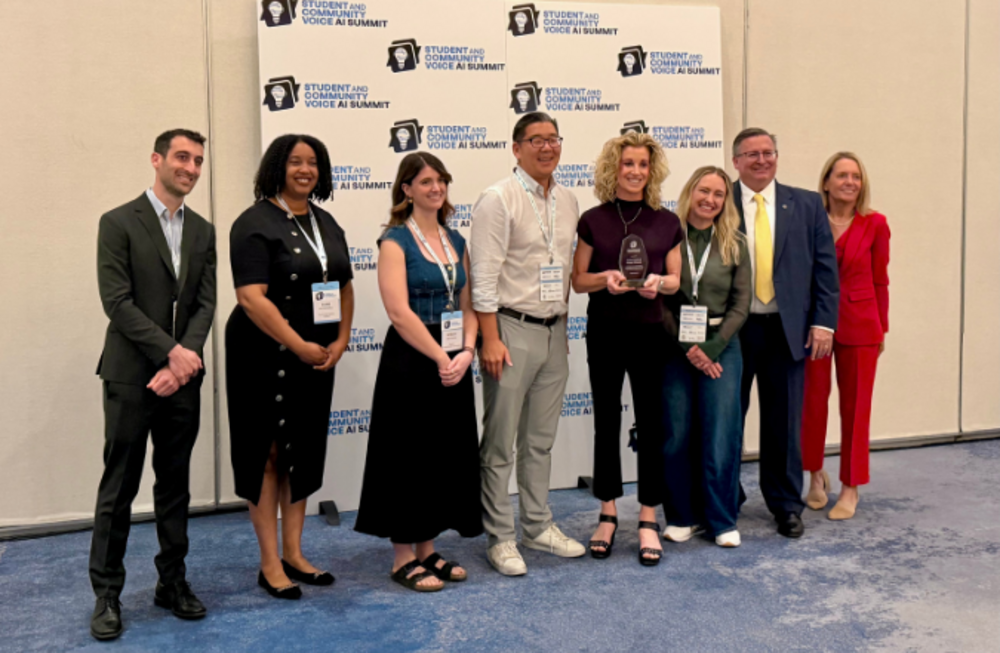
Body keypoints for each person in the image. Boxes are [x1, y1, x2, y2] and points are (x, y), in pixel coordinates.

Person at [90, 129, 216, 640]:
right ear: (157, 160)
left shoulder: (203, 230)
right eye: (182, 157)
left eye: (198, 160)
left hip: (182, 378)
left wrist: (183, 361)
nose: (191, 168)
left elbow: (205, 303)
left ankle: (172, 582)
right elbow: (117, 302)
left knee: (175, 485)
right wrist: (172, 353)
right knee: (118, 487)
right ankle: (106, 594)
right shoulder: (118, 222)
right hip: (130, 374)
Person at [226, 134, 355, 599]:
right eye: (295, 161)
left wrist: (341, 339)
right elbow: (250, 298)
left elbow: (343, 285)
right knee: (267, 455)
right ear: (277, 167)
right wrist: (298, 344)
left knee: (300, 452)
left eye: (313, 162)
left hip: (315, 357)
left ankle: (295, 554)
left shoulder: (326, 222)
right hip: (262, 355)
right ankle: (269, 563)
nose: (305, 169)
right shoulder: (253, 223)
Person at [355, 152, 483, 592]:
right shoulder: (395, 241)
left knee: (441, 453)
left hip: (454, 356)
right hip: (412, 358)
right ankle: (402, 556)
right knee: (406, 455)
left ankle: (427, 547)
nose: (436, 188)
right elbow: (398, 311)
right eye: (425, 181)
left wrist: (467, 350)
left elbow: (468, 304)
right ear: (406, 189)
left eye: (440, 180)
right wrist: (440, 357)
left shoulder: (456, 240)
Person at [471, 112, 585, 575]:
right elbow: (483, 276)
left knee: (539, 440)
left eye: (553, 139)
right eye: (536, 140)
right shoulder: (498, 199)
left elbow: (564, 270)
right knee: (500, 443)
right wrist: (490, 339)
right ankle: (500, 537)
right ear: (516, 148)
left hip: (554, 330)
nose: (546, 147)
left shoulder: (568, 199)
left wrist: (564, 327)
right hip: (510, 330)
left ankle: (537, 526)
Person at [571, 131, 681, 565]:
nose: (635, 171)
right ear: (613, 168)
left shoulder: (667, 221)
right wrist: (605, 280)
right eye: (628, 163)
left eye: (643, 164)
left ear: (652, 171)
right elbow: (579, 280)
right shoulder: (592, 220)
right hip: (605, 332)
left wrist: (658, 283)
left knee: (652, 423)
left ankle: (649, 516)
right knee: (606, 420)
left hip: (651, 333)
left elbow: (675, 279)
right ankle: (608, 511)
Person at [731, 127, 839, 538]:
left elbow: (825, 269)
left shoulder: (807, 204)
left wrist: (823, 322)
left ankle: (786, 504)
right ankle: (725, 499)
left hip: (787, 330)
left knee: (785, 422)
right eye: (752, 154)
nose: (762, 160)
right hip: (735, 330)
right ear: (736, 162)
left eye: (768, 152)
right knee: (727, 419)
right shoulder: (720, 202)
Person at [661, 166, 751, 548]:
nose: (710, 199)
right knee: (676, 434)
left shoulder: (736, 243)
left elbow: (741, 304)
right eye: (703, 190)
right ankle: (681, 516)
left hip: (722, 346)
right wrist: (689, 348)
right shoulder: (668, 236)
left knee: (721, 436)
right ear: (690, 191)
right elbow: (661, 302)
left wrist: (711, 349)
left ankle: (721, 519)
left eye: (718, 194)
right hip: (675, 346)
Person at [801, 152, 889, 520]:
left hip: (861, 325)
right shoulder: (809, 220)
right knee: (811, 403)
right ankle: (814, 474)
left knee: (855, 409)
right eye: (842, 175)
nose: (850, 182)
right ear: (826, 182)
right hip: (815, 325)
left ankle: (851, 486)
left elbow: (880, 279)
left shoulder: (875, 224)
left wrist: (882, 327)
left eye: (856, 176)